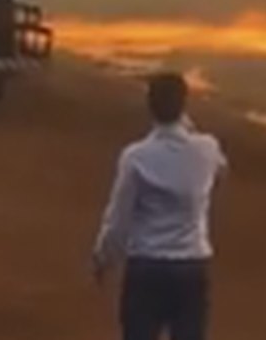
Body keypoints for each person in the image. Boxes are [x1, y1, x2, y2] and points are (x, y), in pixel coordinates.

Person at [93, 72, 229, 340]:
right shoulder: (206, 149)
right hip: (191, 267)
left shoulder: (135, 157)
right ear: (184, 105)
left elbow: (118, 219)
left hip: (147, 267)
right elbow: (222, 173)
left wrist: (103, 257)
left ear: (149, 106)